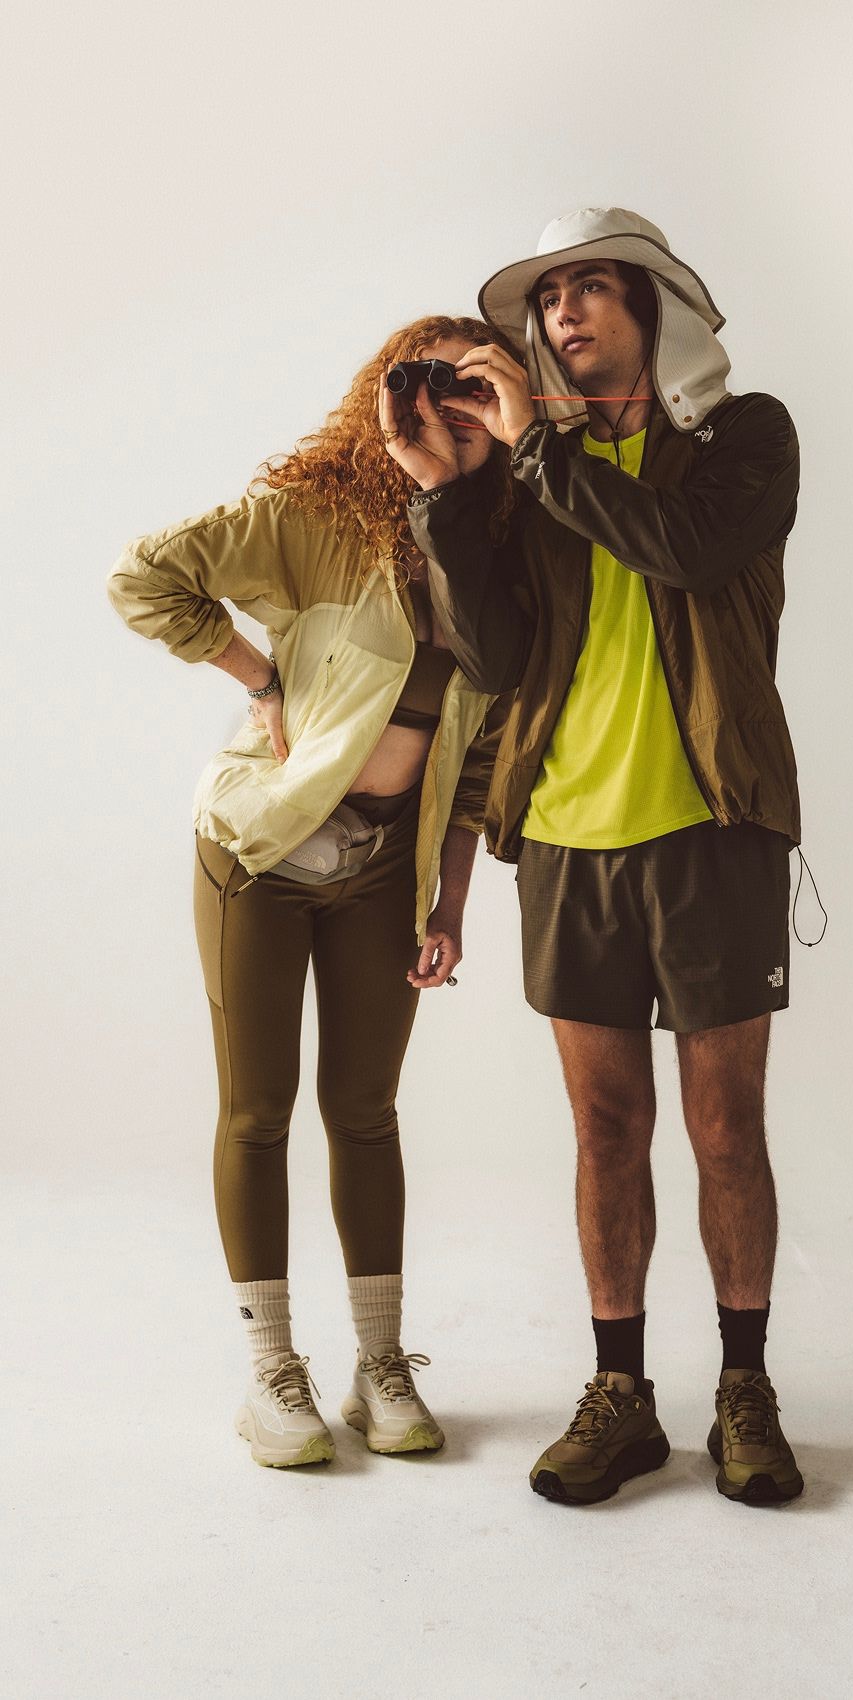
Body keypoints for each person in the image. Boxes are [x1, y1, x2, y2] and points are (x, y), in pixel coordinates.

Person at [391, 207, 811, 1506]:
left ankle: (744, 1386)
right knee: (606, 1127)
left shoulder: (740, 442)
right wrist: (453, 493)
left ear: (652, 308)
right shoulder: (524, 479)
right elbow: (504, 662)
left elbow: (678, 548)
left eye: (591, 287)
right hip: (568, 842)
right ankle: (620, 1393)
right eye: (549, 295)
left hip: (713, 831)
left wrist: (536, 451)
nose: (564, 311)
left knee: (725, 1127)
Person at [107, 315, 515, 1469]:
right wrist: (257, 672)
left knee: (367, 1109)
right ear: (381, 404)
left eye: (476, 395)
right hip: (260, 850)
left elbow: (473, 765)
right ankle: (270, 1372)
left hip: (389, 862)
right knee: (259, 1109)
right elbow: (145, 575)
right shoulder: (313, 520)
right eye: (427, 395)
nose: (447, 418)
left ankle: (378, 1364)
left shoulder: (496, 567)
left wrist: (450, 903)